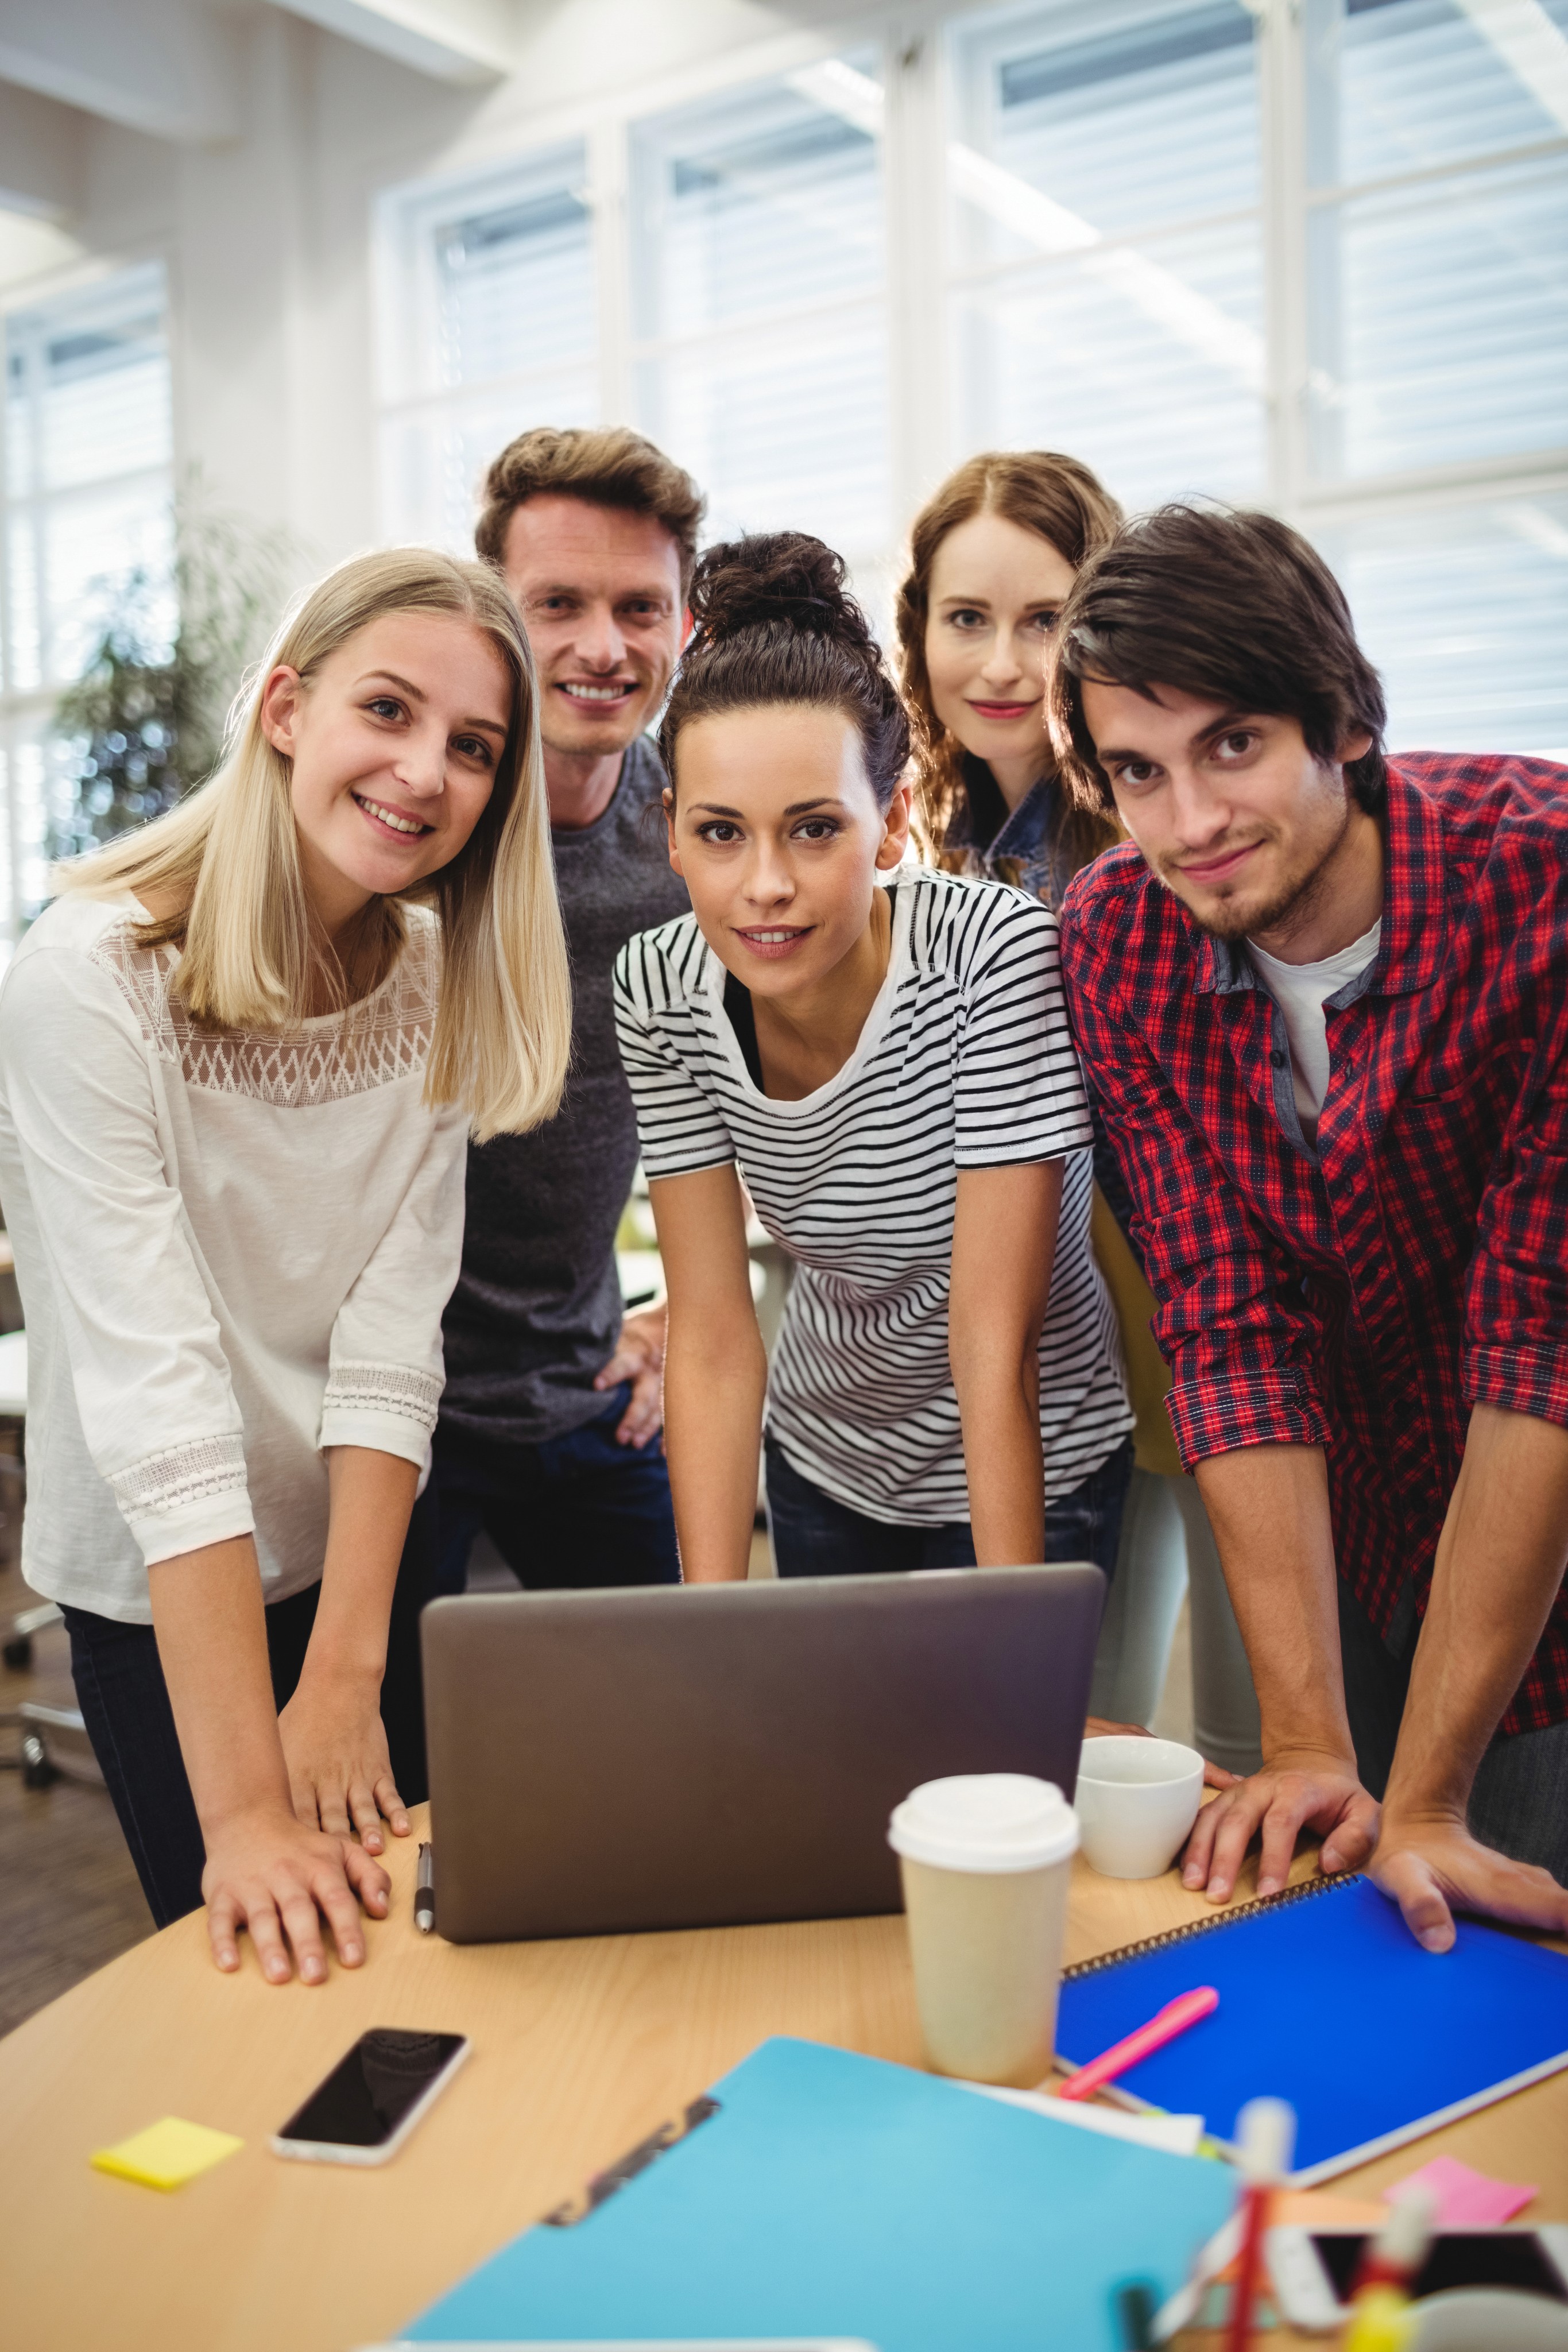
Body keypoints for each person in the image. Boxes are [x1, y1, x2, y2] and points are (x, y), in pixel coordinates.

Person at [0, 549, 571, 1979]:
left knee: (418, 1947)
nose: (426, 770)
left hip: (351, 1550)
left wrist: (344, 1672)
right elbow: (160, 1394)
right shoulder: (82, 979)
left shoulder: (442, 971)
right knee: (260, 1960)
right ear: (283, 710)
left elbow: (392, 1337)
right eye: (388, 709)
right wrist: (248, 1804)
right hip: (156, 1572)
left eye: (474, 747)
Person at [1051, 501, 1568, 1950]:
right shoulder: (1116, 935)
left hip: (1546, 1525)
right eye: (1138, 773)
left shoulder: (1542, 879)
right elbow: (1226, 1328)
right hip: (1355, 1531)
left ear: (1338, 716)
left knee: (1503, 1935)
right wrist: (1305, 1744)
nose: (1192, 825)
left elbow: (1540, 1346)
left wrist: (1433, 1793)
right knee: (1355, 1919)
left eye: (1232, 745)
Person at [614, 531, 1135, 1601]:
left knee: (1001, 1756)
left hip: (1033, 1459)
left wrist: (1011, 1642)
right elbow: (711, 1339)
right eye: (720, 833)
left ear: (892, 820)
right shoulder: (658, 988)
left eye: (814, 830)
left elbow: (996, 1342)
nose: (765, 885)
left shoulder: (992, 955)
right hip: (828, 1458)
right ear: (670, 833)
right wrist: (706, 1627)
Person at [896, 451, 1260, 1774]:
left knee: (1253, 1741)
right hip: (1063, 1364)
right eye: (966, 619)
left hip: (1213, 1334)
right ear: (918, 631)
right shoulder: (946, 849)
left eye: (1042, 620)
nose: (1000, 663)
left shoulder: (1158, 834)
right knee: (1073, 1732)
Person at [416, 425, 700, 1598]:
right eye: (558, 603)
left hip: (586, 1385)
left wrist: (687, 1314)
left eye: (640, 606)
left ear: (686, 621)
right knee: (404, 1770)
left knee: (674, 1731)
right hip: (396, 1402)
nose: (602, 645)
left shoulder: (700, 826)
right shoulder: (416, 821)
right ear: (493, 616)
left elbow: (788, 1075)